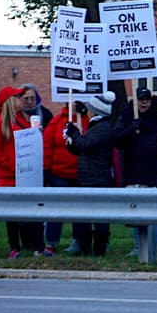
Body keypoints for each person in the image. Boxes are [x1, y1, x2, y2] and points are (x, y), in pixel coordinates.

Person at [0, 86, 45, 257]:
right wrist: (10, 165)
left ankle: (36, 247)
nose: (22, 100)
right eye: (18, 97)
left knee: (33, 212)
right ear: (10, 102)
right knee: (12, 216)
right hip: (8, 177)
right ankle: (15, 248)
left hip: (26, 175)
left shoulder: (22, 120)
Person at [121, 87, 157, 258]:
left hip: (155, 170)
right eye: (141, 99)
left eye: (147, 99)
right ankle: (139, 246)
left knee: (155, 210)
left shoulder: (156, 114)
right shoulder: (127, 114)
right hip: (135, 170)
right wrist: (131, 128)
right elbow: (117, 138)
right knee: (137, 211)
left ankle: (154, 244)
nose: (145, 102)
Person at [64, 92, 120, 256]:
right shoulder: (97, 126)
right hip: (89, 178)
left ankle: (98, 249)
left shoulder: (103, 128)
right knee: (86, 217)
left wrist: (74, 133)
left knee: (99, 218)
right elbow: (82, 147)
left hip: (97, 179)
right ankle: (86, 247)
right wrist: (72, 143)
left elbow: (86, 143)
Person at [42, 101, 89, 254]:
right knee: (56, 210)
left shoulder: (86, 120)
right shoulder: (57, 121)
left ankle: (79, 241)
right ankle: (51, 243)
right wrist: (46, 168)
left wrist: (84, 115)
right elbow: (47, 145)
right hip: (59, 173)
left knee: (80, 211)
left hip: (80, 173)